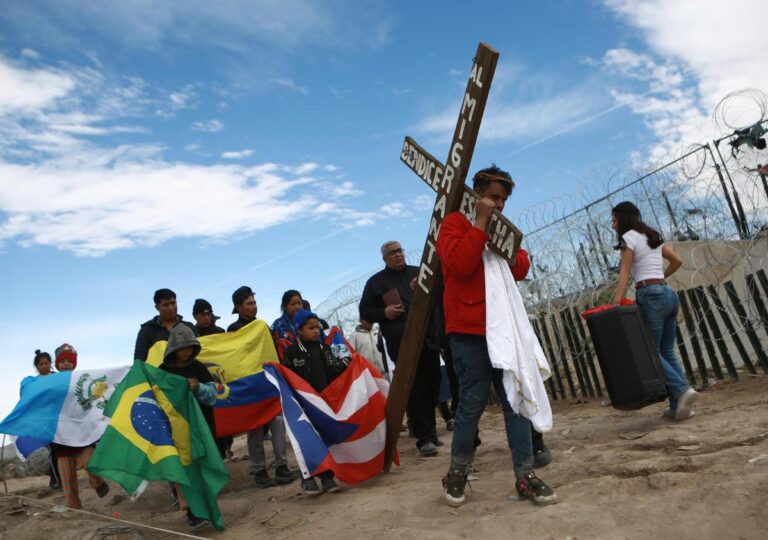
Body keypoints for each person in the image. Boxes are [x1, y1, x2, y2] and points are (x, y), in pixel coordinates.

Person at [436, 165, 557, 507]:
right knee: (471, 404)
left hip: (504, 330)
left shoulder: (503, 230)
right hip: (469, 331)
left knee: (515, 401)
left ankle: (525, 475)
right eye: (492, 197)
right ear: (476, 195)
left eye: (502, 199)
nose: (498, 204)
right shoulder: (453, 225)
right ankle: (457, 472)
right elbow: (460, 264)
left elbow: (520, 267)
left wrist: (500, 241)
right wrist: (479, 226)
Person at [610, 201, 697, 421]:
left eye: (614, 220)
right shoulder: (652, 235)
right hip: (668, 294)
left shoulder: (628, 237)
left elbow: (625, 271)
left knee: (651, 352)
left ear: (623, 219)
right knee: (666, 352)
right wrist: (660, 280)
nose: (612, 225)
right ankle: (678, 406)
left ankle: (682, 389)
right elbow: (677, 260)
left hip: (651, 296)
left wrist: (616, 301)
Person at [359, 240, 442, 457]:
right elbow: (366, 310)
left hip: (428, 339)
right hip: (402, 343)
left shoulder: (418, 273)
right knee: (414, 388)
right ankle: (423, 438)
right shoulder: (376, 283)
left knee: (433, 385)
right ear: (384, 258)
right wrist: (384, 313)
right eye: (392, 253)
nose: (397, 255)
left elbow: (437, 296)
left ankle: (431, 431)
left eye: (400, 251)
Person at [227, 285, 296, 488]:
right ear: (238, 307)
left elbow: (272, 351)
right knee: (255, 429)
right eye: (249, 304)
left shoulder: (262, 326)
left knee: (276, 423)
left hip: (267, 382)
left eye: (255, 303)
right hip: (249, 386)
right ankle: (260, 470)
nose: (254, 307)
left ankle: (282, 466)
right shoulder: (233, 330)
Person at [282, 309, 348, 495]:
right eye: (311, 328)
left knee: (323, 440)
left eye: (317, 327)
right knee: (306, 441)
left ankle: (327, 478)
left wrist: (345, 365)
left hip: (322, 404)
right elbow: (287, 377)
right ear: (299, 330)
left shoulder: (324, 349)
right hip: (302, 407)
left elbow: (333, 372)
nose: (316, 331)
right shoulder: (293, 352)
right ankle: (307, 479)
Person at [160, 325, 219, 529]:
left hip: (202, 427)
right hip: (178, 431)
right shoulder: (162, 372)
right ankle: (195, 514)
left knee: (204, 469)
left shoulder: (199, 368)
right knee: (187, 471)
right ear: (174, 348)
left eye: (190, 347)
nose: (186, 351)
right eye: (182, 347)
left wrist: (198, 387)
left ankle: (209, 509)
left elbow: (213, 395)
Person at [49, 344, 110, 509]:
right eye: (63, 361)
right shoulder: (50, 383)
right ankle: (73, 505)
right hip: (60, 437)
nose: (66, 364)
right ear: (57, 364)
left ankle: (97, 482)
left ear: (75, 363)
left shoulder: (83, 380)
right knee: (67, 473)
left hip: (82, 433)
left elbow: (96, 396)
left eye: (70, 361)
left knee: (91, 462)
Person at [134, 288, 197, 361]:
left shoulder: (189, 326)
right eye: (165, 305)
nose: (170, 308)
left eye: (173, 303)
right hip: (157, 372)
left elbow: (199, 352)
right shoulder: (146, 330)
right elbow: (139, 361)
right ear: (157, 307)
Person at [271, 290, 304, 360]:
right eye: (293, 304)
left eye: (299, 303)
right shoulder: (277, 325)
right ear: (284, 306)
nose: (297, 307)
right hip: (288, 366)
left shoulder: (308, 322)